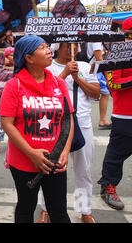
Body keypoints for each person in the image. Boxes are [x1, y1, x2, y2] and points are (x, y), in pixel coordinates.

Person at [0, 35, 74, 223]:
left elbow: (68, 119)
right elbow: (6, 123)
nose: (49, 50)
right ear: (29, 58)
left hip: (55, 162)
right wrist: (31, 153)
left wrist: (64, 151)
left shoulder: (59, 83)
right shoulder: (13, 85)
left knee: (59, 212)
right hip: (24, 161)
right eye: (42, 47)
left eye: (47, 46)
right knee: (25, 208)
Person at [36, 43, 100, 223]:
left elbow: (96, 94)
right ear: (58, 47)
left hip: (83, 123)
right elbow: (43, 94)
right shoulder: (47, 67)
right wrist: (64, 74)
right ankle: (46, 208)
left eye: (75, 44)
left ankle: (84, 209)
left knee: (83, 170)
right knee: (49, 170)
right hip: (55, 125)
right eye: (67, 45)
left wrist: (78, 78)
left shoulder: (86, 66)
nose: (72, 48)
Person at [97, 19, 132, 211]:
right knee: (116, 155)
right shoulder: (116, 54)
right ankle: (108, 186)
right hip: (125, 116)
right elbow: (113, 84)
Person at [0, 46, 14, 158]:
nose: (13, 57)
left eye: (14, 55)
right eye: (10, 55)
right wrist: (3, 58)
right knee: (1, 123)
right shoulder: (0, 67)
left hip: (15, 98)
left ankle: (12, 149)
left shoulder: (18, 67)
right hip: (1, 99)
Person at [85, 43, 112, 129]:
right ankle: (102, 120)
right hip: (93, 70)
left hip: (88, 68)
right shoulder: (96, 40)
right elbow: (99, 59)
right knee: (105, 93)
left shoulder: (91, 37)